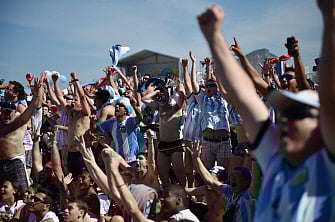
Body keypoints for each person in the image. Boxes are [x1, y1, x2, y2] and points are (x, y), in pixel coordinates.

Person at [197, 3, 335, 221]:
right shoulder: (275, 154)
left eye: (299, 115)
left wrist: (329, 17)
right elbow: (244, 96)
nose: (286, 120)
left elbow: (328, 92)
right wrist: (214, 38)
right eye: (285, 114)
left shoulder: (326, 160)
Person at [0, 75, 44, 191]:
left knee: (22, 191)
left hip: (16, 160)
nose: (7, 115)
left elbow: (29, 114)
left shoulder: (19, 118)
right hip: (1, 161)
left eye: (9, 113)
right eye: (4, 112)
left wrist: (36, 95)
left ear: (14, 112)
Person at [142, 83, 186, 188]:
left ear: (168, 95)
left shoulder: (175, 108)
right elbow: (144, 99)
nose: (163, 97)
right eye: (161, 95)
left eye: (165, 95)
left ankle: (186, 194)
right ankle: (167, 197)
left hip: (175, 144)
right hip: (163, 145)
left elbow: (182, 99)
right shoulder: (159, 107)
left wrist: (176, 91)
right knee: (163, 175)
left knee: (179, 172)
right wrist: (156, 92)